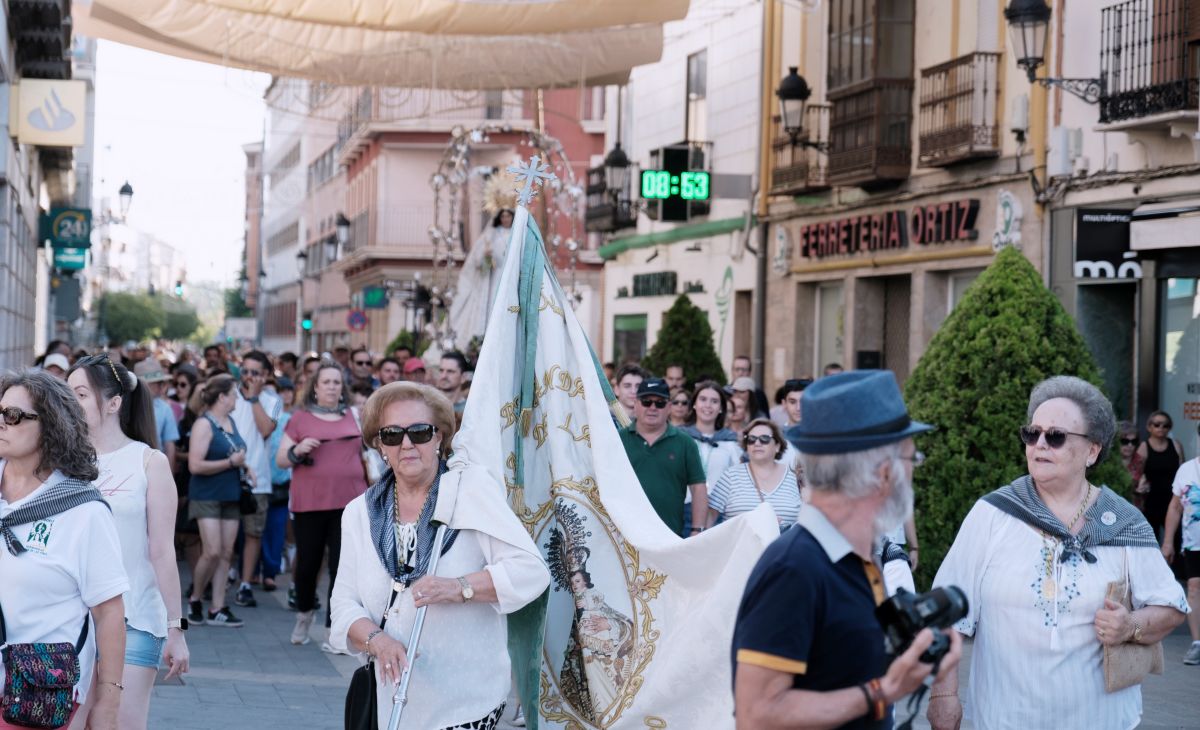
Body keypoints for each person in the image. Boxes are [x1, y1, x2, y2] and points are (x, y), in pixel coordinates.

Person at [928, 376, 1188, 730]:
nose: (1040, 444)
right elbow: (945, 612)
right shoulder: (993, 514)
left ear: (1092, 451)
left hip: (1100, 720)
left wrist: (1130, 625)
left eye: (1056, 436)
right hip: (1005, 718)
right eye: (1032, 434)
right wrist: (943, 695)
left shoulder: (1123, 521)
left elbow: (1171, 608)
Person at [733, 370, 960, 729]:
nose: (913, 474)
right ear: (884, 475)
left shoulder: (858, 558)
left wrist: (909, 661)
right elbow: (756, 715)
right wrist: (883, 691)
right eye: (911, 460)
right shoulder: (792, 569)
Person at [329, 381, 550, 729]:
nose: (406, 444)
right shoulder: (360, 512)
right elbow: (343, 604)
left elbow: (530, 571)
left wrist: (459, 587)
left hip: (464, 700)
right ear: (380, 445)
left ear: (439, 437)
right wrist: (378, 641)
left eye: (419, 432)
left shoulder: (470, 492)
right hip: (390, 701)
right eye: (392, 435)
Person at [0, 371, 129, 730]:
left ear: (51, 426)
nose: (2, 421)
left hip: (33, 691)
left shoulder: (83, 512)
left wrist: (108, 702)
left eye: (13, 415)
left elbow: (109, 613)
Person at [67, 356, 189, 730]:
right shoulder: (61, 463)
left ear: (114, 403)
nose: (70, 402)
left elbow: (162, 552)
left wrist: (176, 628)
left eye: (80, 394)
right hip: (69, 622)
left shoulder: (148, 462)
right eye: (67, 393)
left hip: (135, 619)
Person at [275, 360, 369, 648]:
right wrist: (297, 449)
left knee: (342, 569)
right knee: (307, 566)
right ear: (315, 387)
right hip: (310, 503)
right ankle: (304, 614)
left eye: (336, 382)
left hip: (350, 502)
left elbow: (372, 451)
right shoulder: (300, 418)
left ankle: (334, 629)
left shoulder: (355, 416)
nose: (331, 387)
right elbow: (281, 460)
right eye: (326, 382)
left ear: (343, 388)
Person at [186, 374, 250, 628]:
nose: (237, 398)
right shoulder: (204, 424)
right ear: (222, 397)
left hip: (230, 493)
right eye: (234, 394)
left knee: (226, 552)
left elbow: (235, 454)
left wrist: (245, 467)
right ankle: (195, 598)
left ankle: (218, 607)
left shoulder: (230, 421)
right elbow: (195, 465)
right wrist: (230, 463)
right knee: (211, 550)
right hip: (207, 494)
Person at [618, 378, 707, 536]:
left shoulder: (685, 443)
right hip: (624, 536)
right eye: (646, 402)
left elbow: (698, 488)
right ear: (636, 404)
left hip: (669, 537)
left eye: (660, 403)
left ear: (669, 407)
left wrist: (697, 530)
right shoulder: (617, 440)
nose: (653, 407)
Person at [230, 351, 282, 608]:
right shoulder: (228, 393)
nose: (249, 377)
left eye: (255, 373)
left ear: (266, 375)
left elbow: (265, 429)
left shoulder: (272, 401)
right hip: (228, 474)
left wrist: (253, 398)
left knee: (253, 533)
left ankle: (245, 584)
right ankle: (223, 576)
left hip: (258, 479)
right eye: (245, 371)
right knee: (226, 534)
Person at [708, 419, 801, 532]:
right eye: (751, 439)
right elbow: (708, 519)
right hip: (741, 543)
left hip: (785, 543)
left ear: (777, 445)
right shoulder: (730, 476)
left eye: (765, 439)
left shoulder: (794, 477)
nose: (757, 443)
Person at [680, 381, 742, 537]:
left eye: (714, 401)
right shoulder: (680, 438)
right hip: (683, 509)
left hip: (718, 514)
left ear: (721, 408)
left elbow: (737, 481)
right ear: (694, 404)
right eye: (703, 399)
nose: (708, 405)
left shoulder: (731, 442)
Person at [1164, 427, 1200, 665]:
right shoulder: (1186, 470)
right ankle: (1197, 643)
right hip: (1194, 544)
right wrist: (1168, 541)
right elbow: (1175, 507)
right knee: (1194, 588)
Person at [260, 377, 295, 594]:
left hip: (283, 480)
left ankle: (270, 572)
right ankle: (253, 570)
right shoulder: (260, 418)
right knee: (257, 529)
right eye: (280, 391)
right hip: (261, 478)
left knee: (277, 527)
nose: (284, 395)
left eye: (288, 390)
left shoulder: (293, 420)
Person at [1136, 409, 1185, 540]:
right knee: (1151, 539)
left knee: (1177, 538)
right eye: (1157, 424)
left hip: (1173, 499)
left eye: (1165, 425)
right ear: (1149, 427)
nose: (1161, 428)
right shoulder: (1144, 447)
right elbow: (1137, 474)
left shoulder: (1176, 445)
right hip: (1151, 501)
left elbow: (1183, 471)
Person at [133, 359, 180, 469]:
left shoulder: (165, 408)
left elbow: (170, 446)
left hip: (155, 467)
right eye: (158, 383)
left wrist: (169, 474)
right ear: (145, 385)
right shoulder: (124, 406)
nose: (162, 386)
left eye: (162, 382)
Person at [1117, 420, 1144, 512]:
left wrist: (1144, 488)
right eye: (1124, 441)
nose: (1130, 445)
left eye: (1134, 441)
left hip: (1133, 509)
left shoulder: (1140, 461)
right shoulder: (1107, 461)